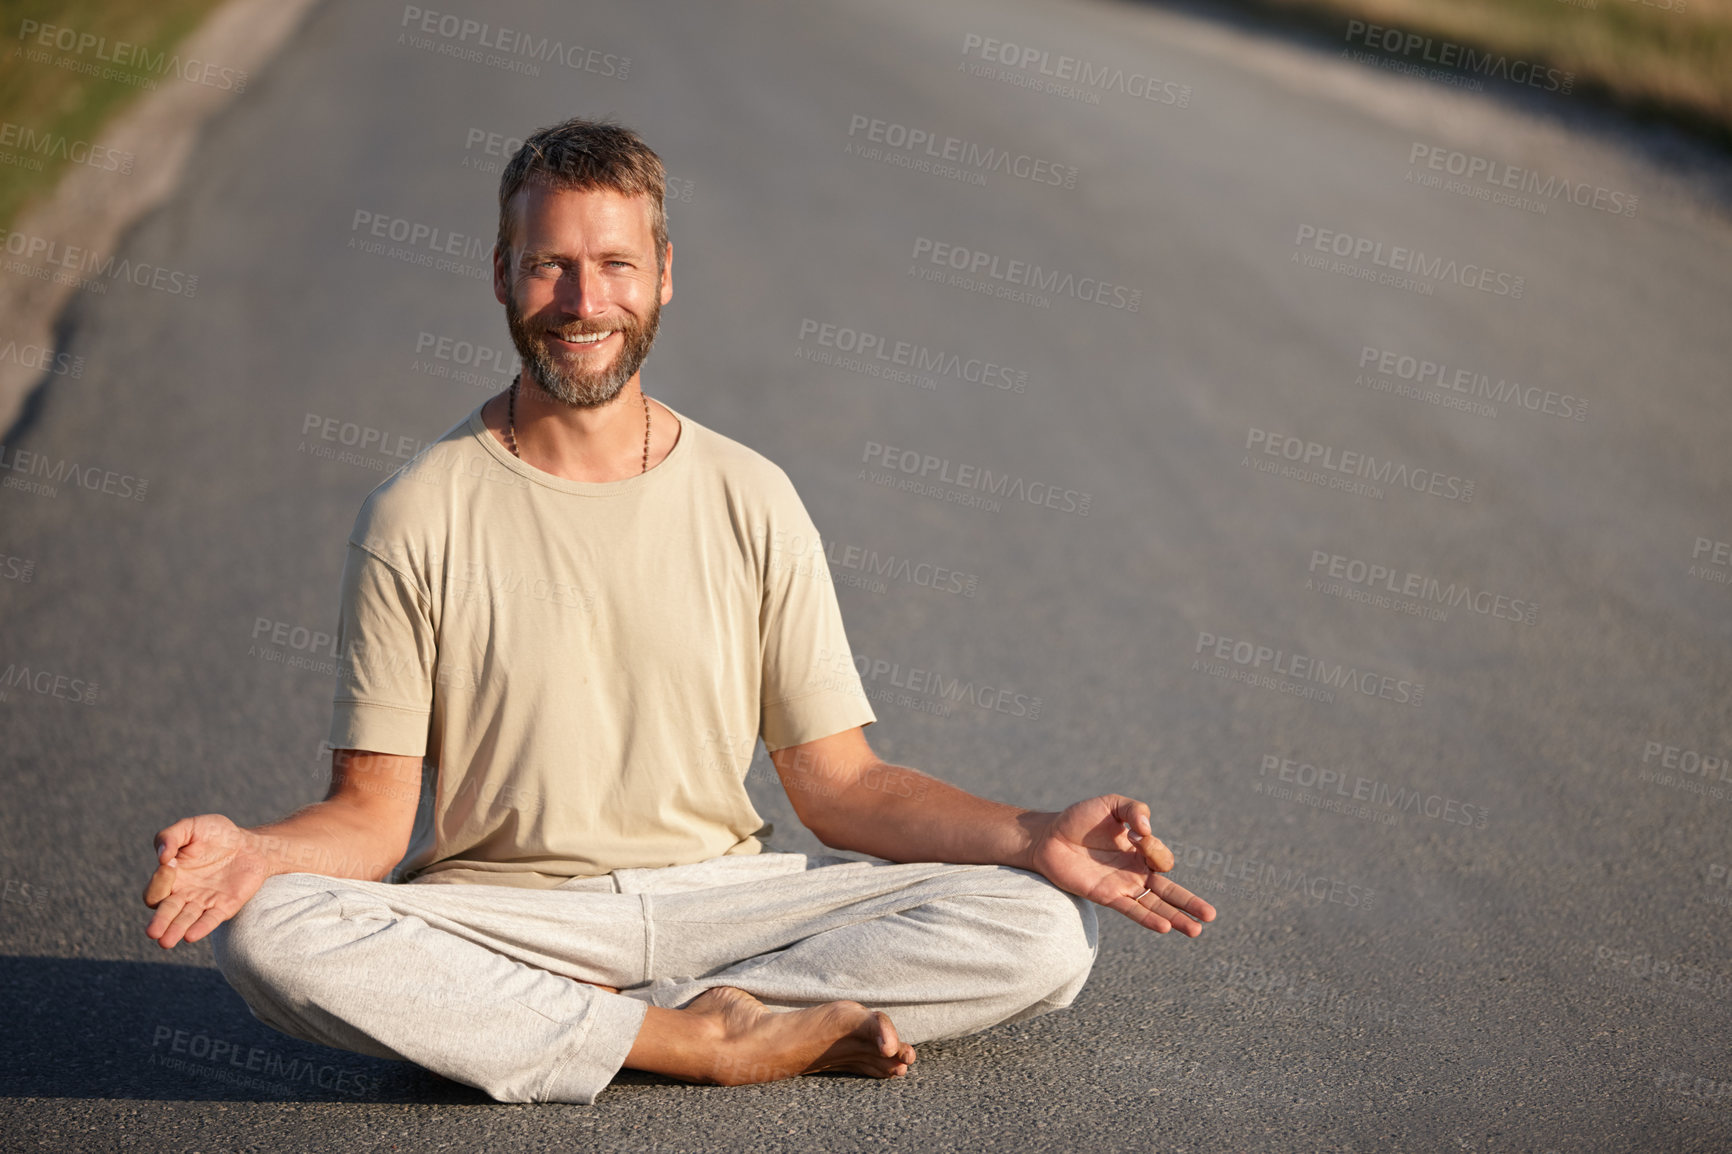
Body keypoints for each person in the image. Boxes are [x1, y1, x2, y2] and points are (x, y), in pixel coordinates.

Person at [142, 118, 1215, 1104]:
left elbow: (840, 785)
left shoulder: (751, 494)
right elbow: (373, 820)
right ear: (503, 275)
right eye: (550, 263)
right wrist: (260, 849)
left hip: (728, 905)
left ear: (661, 278)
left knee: (1040, 925)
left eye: (613, 264)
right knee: (270, 933)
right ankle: (700, 1038)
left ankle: (613, 1027)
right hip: (516, 919)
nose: (581, 299)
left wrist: (1033, 833)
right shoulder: (415, 514)